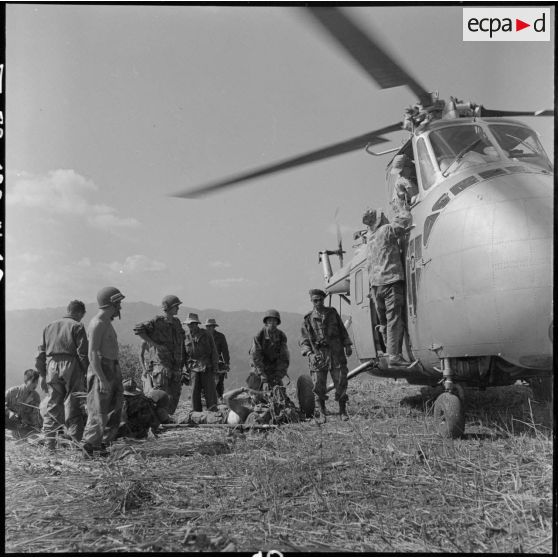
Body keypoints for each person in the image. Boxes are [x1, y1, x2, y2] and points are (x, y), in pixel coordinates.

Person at [35, 300, 89, 448]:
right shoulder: (77, 326)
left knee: (53, 405)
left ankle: (50, 444)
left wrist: (42, 374)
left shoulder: (49, 327)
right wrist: (87, 372)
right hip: (71, 365)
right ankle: (75, 445)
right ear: (79, 312)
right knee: (73, 404)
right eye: (82, 315)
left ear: (68, 310)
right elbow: (83, 353)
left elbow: (39, 355)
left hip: (51, 366)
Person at [362, 208, 411, 368]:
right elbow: (405, 219)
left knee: (384, 322)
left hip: (376, 288)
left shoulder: (369, 240)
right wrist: (401, 206)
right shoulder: (386, 230)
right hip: (390, 282)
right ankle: (394, 356)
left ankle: (386, 350)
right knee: (394, 321)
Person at [81, 286, 126, 456]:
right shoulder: (97, 323)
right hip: (102, 369)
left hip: (112, 368)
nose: (120, 307)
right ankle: (89, 446)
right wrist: (101, 379)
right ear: (111, 303)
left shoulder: (107, 322)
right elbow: (92, 353)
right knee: (98, 410)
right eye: (118, 303)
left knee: (114, 408)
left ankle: (103, 444)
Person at [300, 290, 353, 421]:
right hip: (318, 355)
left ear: (323, 300)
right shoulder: (308, 319)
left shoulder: (332, 313)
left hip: (336, 353)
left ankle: (342, 411)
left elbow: (342, 330)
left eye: (320, 300)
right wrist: (309, 354)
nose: (318, 303)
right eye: (315, 300)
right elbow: (303, 340)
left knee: (341, 381)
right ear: (311, 301)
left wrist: (347, 345)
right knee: (318, 384)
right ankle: (322, 412)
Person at [133, 295, 186, 415]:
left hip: (175, 366)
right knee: (161, 394)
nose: (178, 308)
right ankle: (158, 419)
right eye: (176, 306)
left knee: (175, 394)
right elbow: (138, 329)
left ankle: (167, 418)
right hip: (161, 365)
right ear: (168, 307)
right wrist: (154, 344)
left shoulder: (177, 323)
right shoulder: (157, 322)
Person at [182, 383, 301, 426]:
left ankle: (170, 418)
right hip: (225, 411)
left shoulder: (245, 412)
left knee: (193, 416)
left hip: (221, 418)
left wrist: (243, 389)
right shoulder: (253, 410)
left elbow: (226, 397)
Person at [183, 313, 219, 412]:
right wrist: (184, 369)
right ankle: (196, 414)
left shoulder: (206, 334)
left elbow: (214, 351)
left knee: (210, 391)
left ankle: (213, 412)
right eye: (189, 324)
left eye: (193, 324)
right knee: (194, 391)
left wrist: (215, 367)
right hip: (192, 367)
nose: (191, 326)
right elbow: (183, 354)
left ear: (197, 324)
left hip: (206, 366)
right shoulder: (185, 337)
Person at [249, 310, 290, 389]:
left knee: (278, 390)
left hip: (273, 367)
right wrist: (261, 373)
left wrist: (279, 375)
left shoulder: (281, 336)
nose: (272, 322)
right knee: (254, 391)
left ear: (277, 322)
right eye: (270, 320)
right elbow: (255, 355)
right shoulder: (259, 335)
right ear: (266, 322)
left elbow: (284, 357)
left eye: (274, 320)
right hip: (258, 365)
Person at [5, 369, 42, 436]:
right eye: (33, 382)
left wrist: (37, 429)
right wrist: (9, 412)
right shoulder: (12, 392)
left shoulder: (36, 397)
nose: (35, 385)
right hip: (8, 424)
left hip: (21, 427)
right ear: (26, 381)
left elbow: (35, 416)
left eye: (37, 382)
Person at [204, 318, 230, 402]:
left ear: (214, 327)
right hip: (206, 362)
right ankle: (206, 399)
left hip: (219, 362)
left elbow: (225, 350)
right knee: (206, 381)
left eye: (211, 326)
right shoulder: (203, 336)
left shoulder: (220, 336)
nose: (209, 328)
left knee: (219, 382)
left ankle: (220, 398)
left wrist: (226, 363)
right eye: (208, 326)